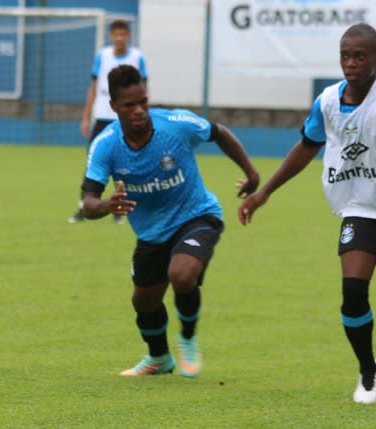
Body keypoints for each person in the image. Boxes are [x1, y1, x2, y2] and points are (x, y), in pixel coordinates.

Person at [237, 23, 376, 404]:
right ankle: (367, 372)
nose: (351, 63)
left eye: (360, 56)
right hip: (362, 210)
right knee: (353, 289)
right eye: (345, 56)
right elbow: (307, 147)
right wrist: (265, 193)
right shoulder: (326, 102)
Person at [81, 64, 260, 377]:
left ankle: (188, 339)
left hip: (197, 215)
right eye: (129, 105)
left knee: (182, 274)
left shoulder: (175, 124)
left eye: (143, 102)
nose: (139, 111)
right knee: (144, 302)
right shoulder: (106, 145)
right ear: (114, 108)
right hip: (152, 233)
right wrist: (107, 205)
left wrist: (251, 173)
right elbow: (88, 202)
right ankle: (159, 358)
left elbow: (218, 133)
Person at [68, 19, 148, 223]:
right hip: (102, 116)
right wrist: (86, 117)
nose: (119, 38)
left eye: (123, 34)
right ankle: (83, 208)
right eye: (116, 34)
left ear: (128, 36)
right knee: (92, 163)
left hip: (125, 119)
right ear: (111, 36)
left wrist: (145, 115)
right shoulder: (102, 56)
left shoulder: (137, 57)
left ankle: (120, 210)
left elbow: (143, 90)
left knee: (127, 164)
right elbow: (93, 88)